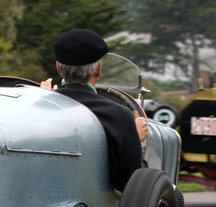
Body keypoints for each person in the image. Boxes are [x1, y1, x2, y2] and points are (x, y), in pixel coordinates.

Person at [40, 29, 148, 192]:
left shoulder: (39, 108)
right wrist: (135, 139)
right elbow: (130, 183)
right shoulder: (118, 115)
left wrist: (44, 96)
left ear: (59, 68)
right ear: (98, 70)